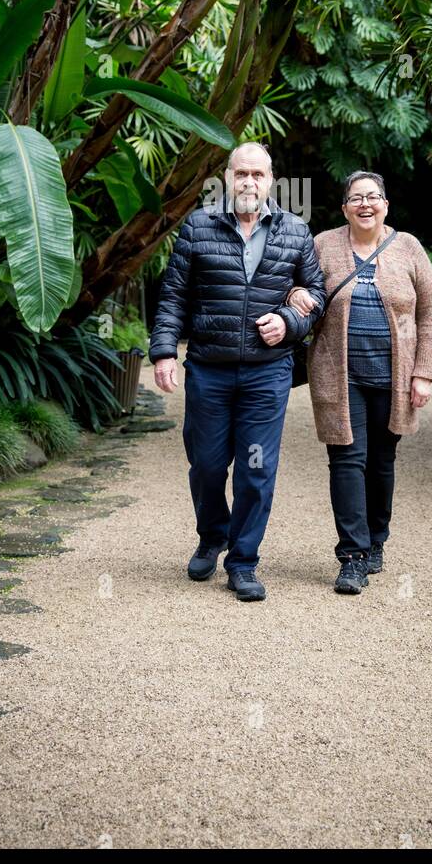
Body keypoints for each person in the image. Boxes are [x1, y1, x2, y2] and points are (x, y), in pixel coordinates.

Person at [149, 143, 326, 602]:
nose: (249, 182)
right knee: (207, 465)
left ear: (271, 180)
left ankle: (243, 561)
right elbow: (173, 296)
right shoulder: (198, 227)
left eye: (258, 174)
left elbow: (316, 297)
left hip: (268, 374)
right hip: (208, 369)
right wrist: (164, 352)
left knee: (257, 469)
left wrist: (288, 322)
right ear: (227, 177)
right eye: (241, 173)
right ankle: (212, 536)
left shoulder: (295, 232)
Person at [286, 170, 432, 594]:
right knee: (346, 461)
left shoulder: (408, 247)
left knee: (381, 462)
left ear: (386, 205)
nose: (365, 204)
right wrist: (294, 295)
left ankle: (377, 540)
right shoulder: (323, 245)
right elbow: (297, 286)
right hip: (340, 375)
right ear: (345, 208)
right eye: (356, 198)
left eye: (373, 197)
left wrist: (422, 373)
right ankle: (351, 556)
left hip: (393, 377)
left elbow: (430, 314)